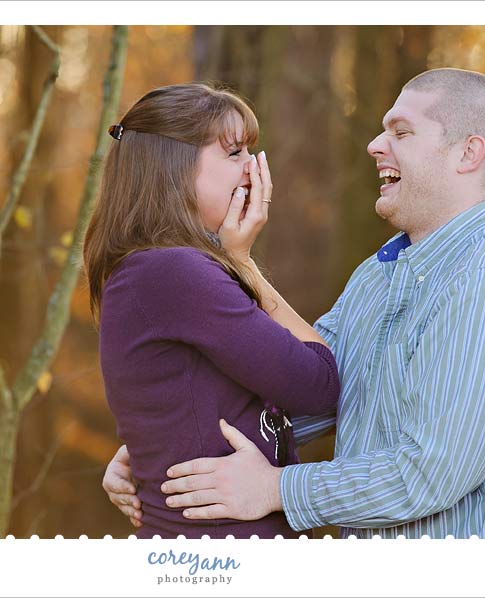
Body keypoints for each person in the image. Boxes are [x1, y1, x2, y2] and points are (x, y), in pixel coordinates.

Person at [103, 68, 485, 539]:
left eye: (401, 133)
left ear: (467, 154)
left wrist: (275, 488)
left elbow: (427, 473)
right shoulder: (380, 277)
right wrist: (165, 442)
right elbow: (311, 391)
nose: (374, 145)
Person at [83, 83, 341, 539]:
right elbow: (319, 384)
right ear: (175, 168)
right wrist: (242, 262)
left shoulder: (151, 270)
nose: (255, 168)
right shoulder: (174, 272)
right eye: (235, 152)